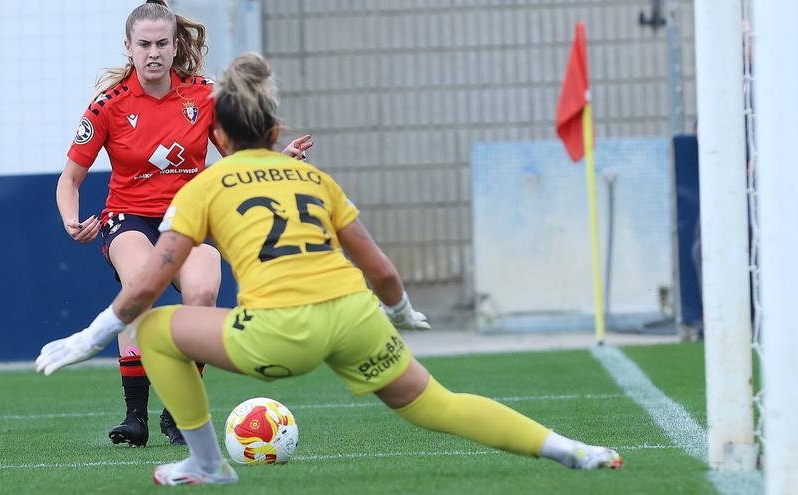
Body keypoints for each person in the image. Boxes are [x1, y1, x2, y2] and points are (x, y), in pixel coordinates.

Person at [38, 53, 622, 486]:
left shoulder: (203, 186)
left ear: (217, 136)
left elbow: (145, 284)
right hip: (355, 317)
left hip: (281, 332)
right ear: (275, 133)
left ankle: (208, 464)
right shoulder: (314, 178)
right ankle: (570, 449)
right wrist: (401, 313)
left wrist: (90, 337)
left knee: (155, 329)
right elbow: (382, 270)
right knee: (437, 403)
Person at [55, 1, 313, 447]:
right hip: (129, 219)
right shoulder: (107, 106)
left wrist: (279, 159)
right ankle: (135, 416)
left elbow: (240, 155)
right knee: (140, 286)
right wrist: (71, 220)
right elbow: (70, 180)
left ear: (176, 46)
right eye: (144, 44)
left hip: (190, 218)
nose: (153, 52)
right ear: (128, 47)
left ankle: (178, 411)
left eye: (162, 43)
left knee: (203, 291)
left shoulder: (205, 95)